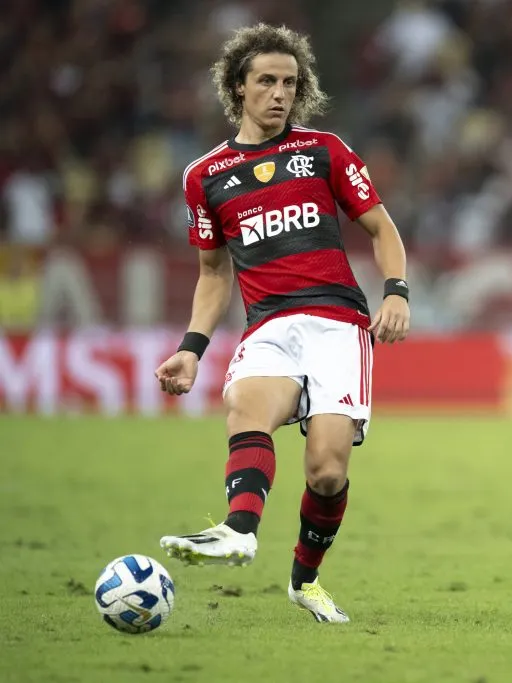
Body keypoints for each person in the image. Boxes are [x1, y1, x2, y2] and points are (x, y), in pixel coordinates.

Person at [153, 24, 411, 624]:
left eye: (290, 83)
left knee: (325, 471)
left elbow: (382, 228)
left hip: (337, 323)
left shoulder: (323, 151)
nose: (279, 93)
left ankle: (304, 579)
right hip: (268, 324)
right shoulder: (205, 176)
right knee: (245, 406)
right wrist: (191, 348)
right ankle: (238, 529)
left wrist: (395, 291)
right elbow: (213, 274)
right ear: (238, 87)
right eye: (266, 81)